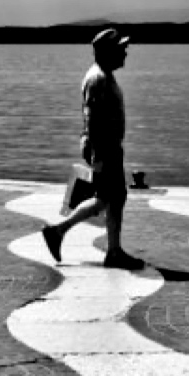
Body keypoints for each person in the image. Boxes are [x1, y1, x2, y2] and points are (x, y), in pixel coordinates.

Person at [42, 28, 143, 270]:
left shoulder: (104, 75)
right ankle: (109, 250)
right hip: (105, 148)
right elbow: (93, 120)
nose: (125, 53)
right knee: (109, 197)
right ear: (108, 51)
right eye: (121, 49)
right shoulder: (98, 79)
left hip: (109, 147)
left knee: (110, 197)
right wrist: (98, 156)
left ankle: (65, 234)